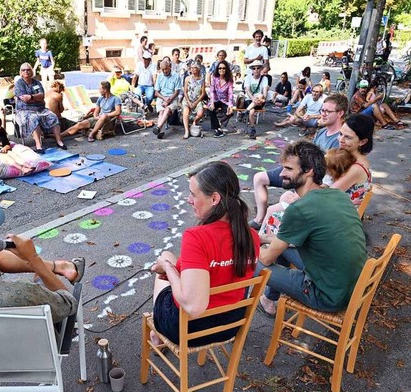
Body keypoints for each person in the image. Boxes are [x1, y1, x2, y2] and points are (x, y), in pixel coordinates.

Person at [149, 161, 260, 346]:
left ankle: (157, 334)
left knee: (166, 258)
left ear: (215, 198)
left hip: (188, 330)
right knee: (171, 262)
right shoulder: (252, 236)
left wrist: (168, 268)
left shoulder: (197, 237)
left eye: (193, 194)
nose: (188, 200)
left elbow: (193, 307)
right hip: (230, 325)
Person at [255, 141, 367, 316]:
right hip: (351, 286)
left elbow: (267, 259)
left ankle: (231, 320)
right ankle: (268, 300)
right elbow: (298, 241)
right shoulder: (338, 195)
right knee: (278, 249)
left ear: (309, 171)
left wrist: (255, 245)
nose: (282, 174)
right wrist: (266, 239)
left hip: (326, 295)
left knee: (250, 262)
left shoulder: (299, 209)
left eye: (288, 169)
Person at [249, 93, 348, 230]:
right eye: (322, 110)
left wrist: (300, 192)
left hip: (309, 176)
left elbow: (330, 178)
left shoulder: (340, 140)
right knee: (259, 178)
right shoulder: (321, 132)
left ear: (340, 113)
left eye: (327, 111)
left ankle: (267, 234)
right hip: (299, 167)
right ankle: (260, 219)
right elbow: (308, 155)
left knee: (281, 202)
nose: (323, 114)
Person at [14, 62, 67, 152]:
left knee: (52, 116)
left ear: (31, 71)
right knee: (34, 118)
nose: (26, 71)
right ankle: (38, 145)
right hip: (25, 110)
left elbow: (42, 96)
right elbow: (24, 98)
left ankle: (59, 141)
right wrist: (36, 97)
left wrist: (31, 97)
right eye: (23, 70)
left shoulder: (37, 82)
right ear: (21, 72)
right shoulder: (19, 84)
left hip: (40, 108)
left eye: (28, 69)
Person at [152, 60, 182, 139]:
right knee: (161, 112)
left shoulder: (176, 76)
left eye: (166, 69)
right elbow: (156, 93)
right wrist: (164, 98)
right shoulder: (160, 76)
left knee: (167, 110)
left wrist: (168, 100)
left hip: (173, 98)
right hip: (162, 97)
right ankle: (159, 130)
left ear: (170, 67)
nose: (164, 71)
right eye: (163, 69)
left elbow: (177, 92)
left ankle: (158, 128)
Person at [207, 60, 234, 138]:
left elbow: (230, 93)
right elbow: (212, 91)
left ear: (226, 69)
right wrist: (212, 102)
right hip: (215, 99)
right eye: (220, 68)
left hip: (224, 100)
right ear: (217, 69)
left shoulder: (229, 80)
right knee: (211, 109)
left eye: (223, 68)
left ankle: (220, 122)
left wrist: (230, 105)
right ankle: (218, 129)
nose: (221, 70)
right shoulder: (215, 78)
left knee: (230, 112)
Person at [242, 60, 268, 139]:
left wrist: (263, 98)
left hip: (260, 100)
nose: (256, 70)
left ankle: (245, 111)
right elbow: (247, 90)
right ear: (252, 70)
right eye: (254, 68)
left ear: (260, 69)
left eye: (258, 68)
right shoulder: (248, 78)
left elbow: (265, 91)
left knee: (260, 95)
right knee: (252, 111)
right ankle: (252, 128)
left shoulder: (264, 78)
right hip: (250, 100)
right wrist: (253, 99)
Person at [181, 61, 205, 140]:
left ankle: (194, 122)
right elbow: (185, 91)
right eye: (191, 68)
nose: (193, 69)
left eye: (195, 68)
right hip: (188, 99)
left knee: (200, 113)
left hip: (197, 100)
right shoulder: (187, 78)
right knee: (186, 112)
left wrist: (196, 102)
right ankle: (186, 131)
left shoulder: (202, 79)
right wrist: (188, 102)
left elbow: (203, 93)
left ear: (198, 69)